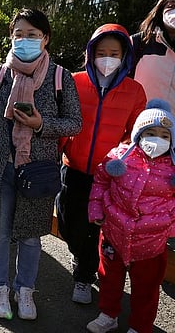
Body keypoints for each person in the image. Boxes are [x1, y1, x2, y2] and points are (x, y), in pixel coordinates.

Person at [0, 8, 82, 321]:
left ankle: (25, 289)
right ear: (10, 37)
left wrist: (39, 123)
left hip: (36, 169)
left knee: (31, 235)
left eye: (32, 35)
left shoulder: (60, 77)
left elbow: (74, 123)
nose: (25, 40)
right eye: (19, 34)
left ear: (45, 39)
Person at [57, 24, 147, 305]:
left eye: (115, 53)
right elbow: (60, 122)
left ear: (125, 57)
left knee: (93, 226)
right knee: (67, 221)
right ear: (91, 53)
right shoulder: (75, 81)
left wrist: (122, 163)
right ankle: (79, 255)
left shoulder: (134, 91)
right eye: (102, 52)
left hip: (106, 175)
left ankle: (84, 275)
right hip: (72, 166)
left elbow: (135, 135)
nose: (107, 58)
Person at [86, 99, 175, 333]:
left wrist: (170, 228)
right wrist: (96, 210)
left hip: (151, 243)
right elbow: (101, 182)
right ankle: (108, 314)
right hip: (113, 234)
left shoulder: (173, 168)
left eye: (164, 136)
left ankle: (140, 325)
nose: (157, 140)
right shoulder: (119, 157)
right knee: (108, 279)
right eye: (151, 133)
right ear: (138, 133)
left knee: (146, 288)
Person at [131, 0, 175, 110]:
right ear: (161, 10)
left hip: (171, 127)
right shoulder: (139, 42)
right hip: (139, 122)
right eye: (172, 6)